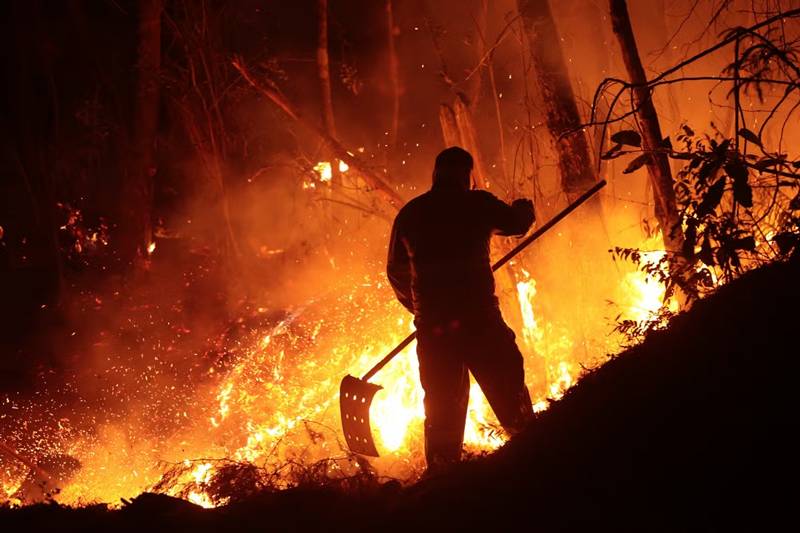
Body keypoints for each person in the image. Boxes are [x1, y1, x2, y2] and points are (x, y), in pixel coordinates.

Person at [387, 146, 535, 472]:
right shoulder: (477, 204)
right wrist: (524, 208)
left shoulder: (411, 214)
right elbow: (515, 223)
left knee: (442, 411)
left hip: (435, 332)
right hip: (480, 322)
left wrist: (421, 310)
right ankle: (536, 464)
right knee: (510, 396)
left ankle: (443, 479)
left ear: (435, 175)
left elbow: (395, 271)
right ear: (467, 175)